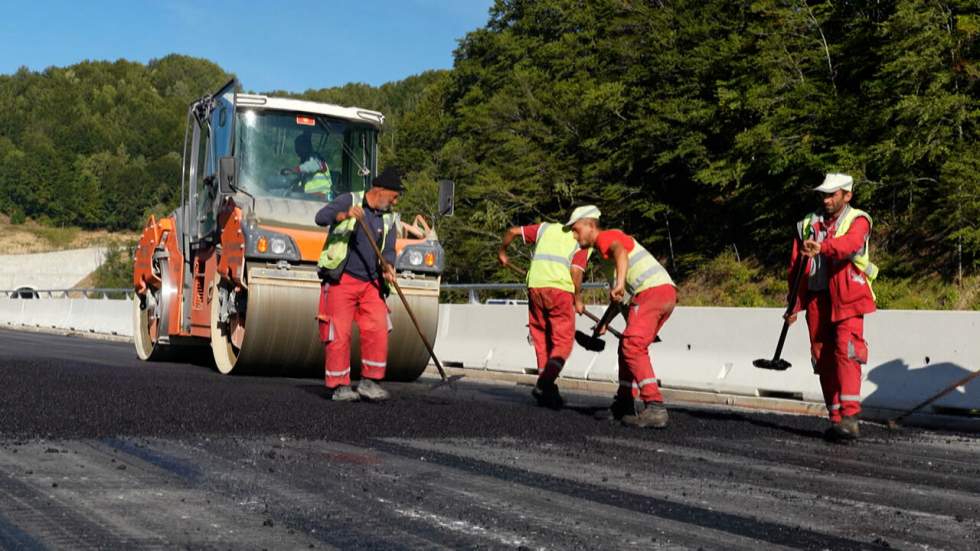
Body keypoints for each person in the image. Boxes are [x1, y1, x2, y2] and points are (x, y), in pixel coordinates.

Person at [786, 173, 877, 441]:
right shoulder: (806, 224)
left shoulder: (858, 219)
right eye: (824, 195)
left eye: (832, 194)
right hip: (816, 298)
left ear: (846, 195)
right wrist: (794, 303)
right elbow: (796, 267)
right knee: (822, 356)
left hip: (848, 295)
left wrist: (822, 247)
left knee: (846, 352)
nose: (826, 199)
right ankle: (836, 418)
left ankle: (850, 416)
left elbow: (850, 244)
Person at [568, 206, 676, 428]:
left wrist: (618, 283)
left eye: (576, 229)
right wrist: (604, 323)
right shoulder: (604, 254)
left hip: (652, 292)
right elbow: (620, 298)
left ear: (590, 225)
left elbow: (620, 252)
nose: (574, 235)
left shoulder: (608, 238)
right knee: (627, 345)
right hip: (661, 294)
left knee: (632, 346)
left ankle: (654, 405)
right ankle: (624, 403)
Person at [314, 166, 403, 402]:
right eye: (393, 196)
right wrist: (344, 216)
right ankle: (340, 385)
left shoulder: (389, 218)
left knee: (379, 328)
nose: (394, 202)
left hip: (371, 284)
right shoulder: (349, 200)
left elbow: (390, 249)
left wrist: (389, 267)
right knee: (339, 334)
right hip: (342, 280)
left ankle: (370, 382)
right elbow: (320, 218)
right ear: (380, 190)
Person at [498, 213, 592, 409]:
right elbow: (575, 272)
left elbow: (512, 231)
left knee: (542, 339)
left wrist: (503, 252)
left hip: (535, 289)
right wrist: (578, 298)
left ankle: (547, 391)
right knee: (563, 343)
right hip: (560, 290)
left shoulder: (545, 228)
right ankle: (544, 383)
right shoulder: (583, 239)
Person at [283, 132, 333, 197]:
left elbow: (317, 165)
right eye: (296, 146)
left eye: (298, 146)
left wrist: (294, 170)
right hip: (309, 197)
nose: (296, 150)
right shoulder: (304, 161)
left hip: (323, 197)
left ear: (306, 146)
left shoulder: (316, 158)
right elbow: (304, 181)